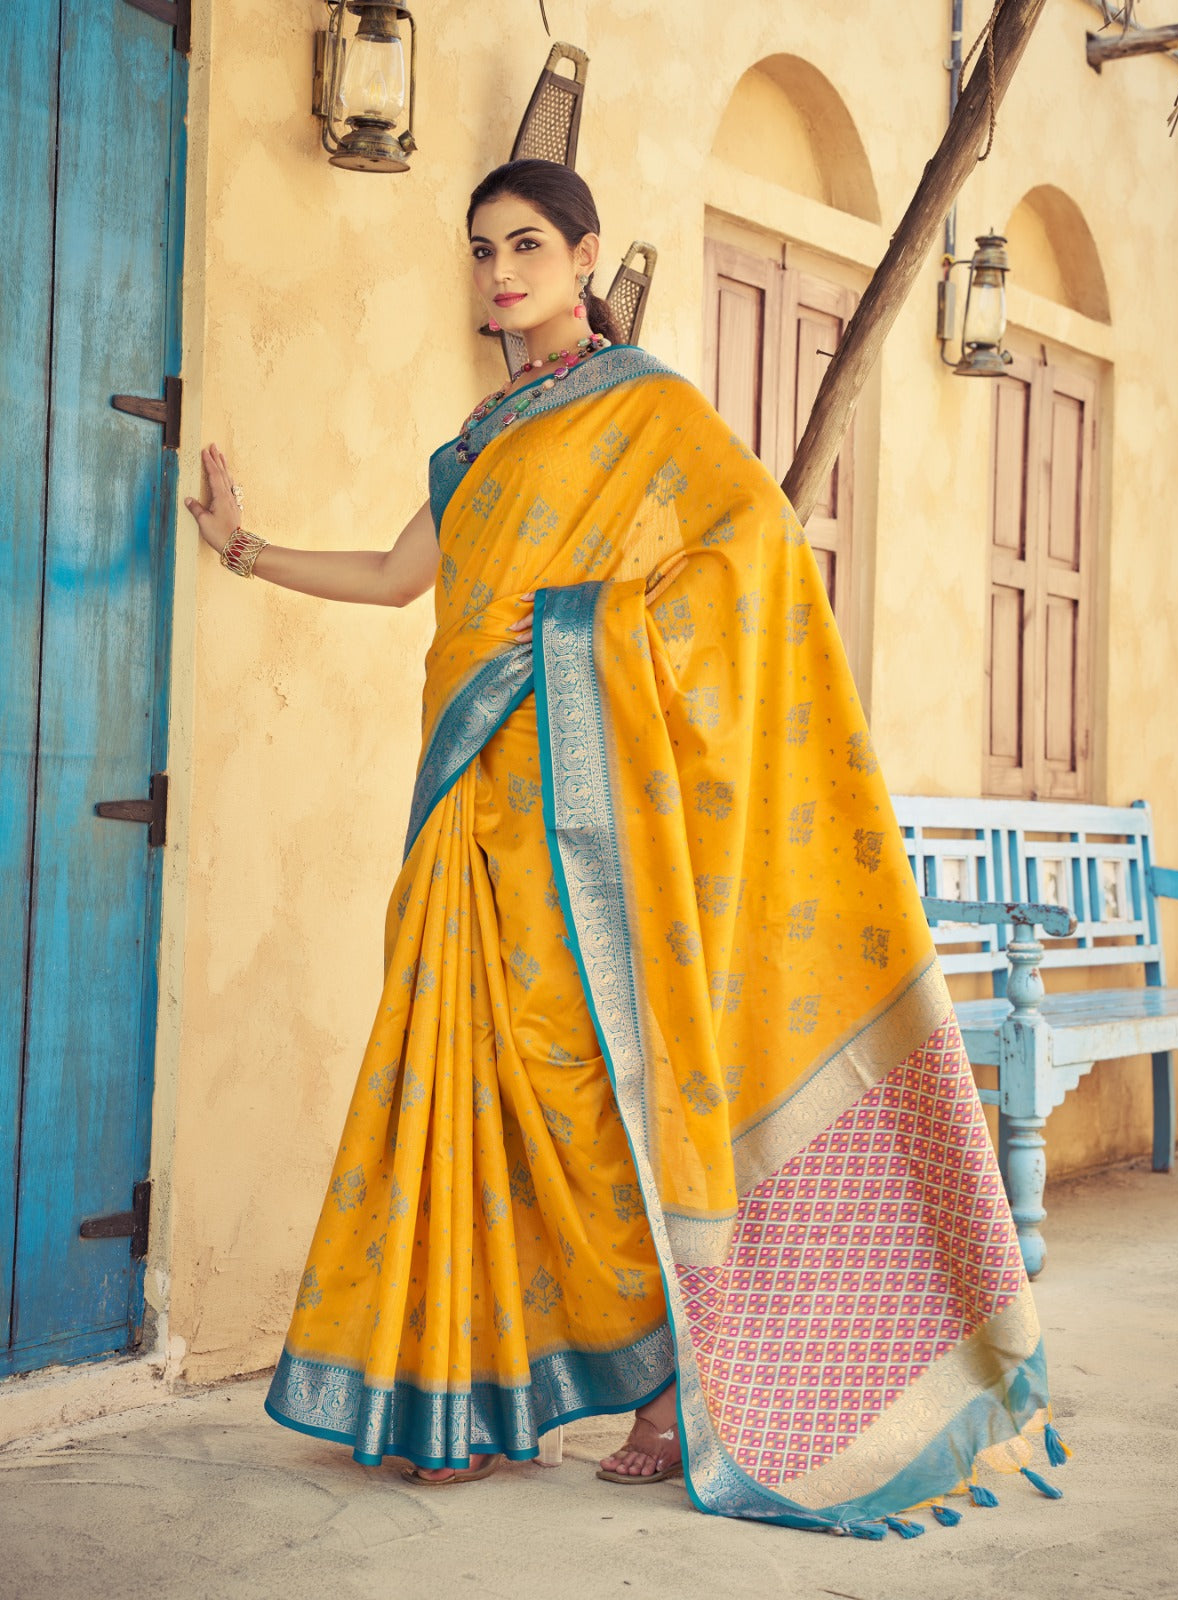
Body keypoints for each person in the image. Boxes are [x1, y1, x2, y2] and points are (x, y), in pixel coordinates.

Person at [185, 159, 1065, 1533]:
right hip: (470, 802)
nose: (499, 272)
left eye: (526, 244)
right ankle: (461, 1392)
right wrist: (249, 552)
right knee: (464, 1076)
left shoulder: (650, 413)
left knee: (593, 1089)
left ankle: (673, 1383)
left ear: (585, 254)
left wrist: (577, 642)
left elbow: (750, 554)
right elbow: (404, 576)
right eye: (482, 250)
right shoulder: (484, 434)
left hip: (587, 808)